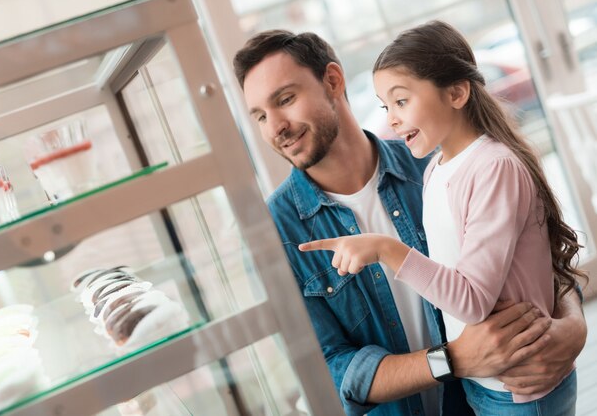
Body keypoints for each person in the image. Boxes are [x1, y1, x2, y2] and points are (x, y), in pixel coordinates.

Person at [233, 28, 586, 416]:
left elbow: (535, 254)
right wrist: (451, 360)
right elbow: (328, 373)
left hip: (486, 403)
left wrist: (571, 327)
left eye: (285, 100)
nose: (275, 127)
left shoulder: (438, 164)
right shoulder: (272, 236)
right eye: (261, 116)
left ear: (333, 81)